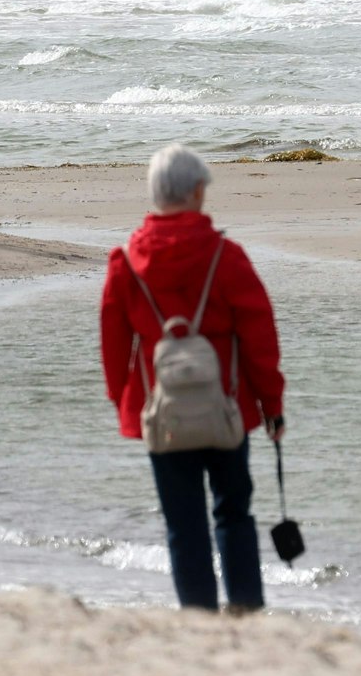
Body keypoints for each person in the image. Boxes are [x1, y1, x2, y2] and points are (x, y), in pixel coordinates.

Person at [100, 144, 285, 613]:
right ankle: (244, 609)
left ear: (155, 193)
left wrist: (124, 401)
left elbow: (114, 343)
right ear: (198, 192)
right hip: (230, 407)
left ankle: (198, 618)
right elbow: (260, 336)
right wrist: (272, 406)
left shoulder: (125, 260)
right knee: (233, 513)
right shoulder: (226, 256)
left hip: (162, 411)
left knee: (182, 522)